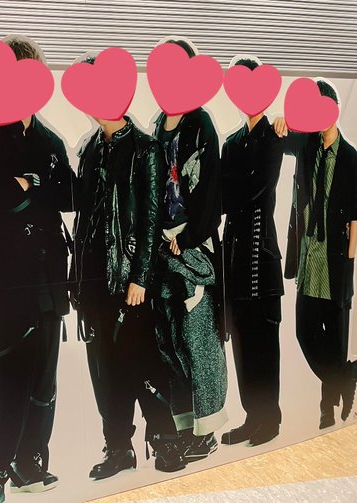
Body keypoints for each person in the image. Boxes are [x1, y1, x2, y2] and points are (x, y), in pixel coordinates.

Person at [0, 35, 76, 503]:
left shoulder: (51, 140)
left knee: (43, 381)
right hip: (3, 280)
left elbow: (70, 196)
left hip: (49, 276)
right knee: (6, 377)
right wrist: (39, 185)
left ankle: (31, 464)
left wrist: (29, 185)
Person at [70, 52, 186, 477]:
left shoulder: (145, 148)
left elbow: (150, 219)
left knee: (143, 361)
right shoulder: (88, 149)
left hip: (130, 280)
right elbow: (83, 218)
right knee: (106, 371)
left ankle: (165, 441)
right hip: (93, 280)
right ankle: (118, 448)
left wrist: (140, 277)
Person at [151, 37, 228, 463]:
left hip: (193, 247)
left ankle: (209, 430)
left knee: (199, 340)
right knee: (171, 341)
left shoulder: (201, 123)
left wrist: (191, 237)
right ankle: (185, 427)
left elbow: (212, 188)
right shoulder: (157, 122)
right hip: (162, 249)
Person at [273, 79, 357, 429]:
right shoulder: (307, 144)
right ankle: (347, 376)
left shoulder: (351, 158)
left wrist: (349, 261)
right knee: (304, 332)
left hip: (335, 262)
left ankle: (327, 409)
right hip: (309, 255)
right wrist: (281, 119)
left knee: (335, 339)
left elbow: (356, 216)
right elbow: (282, 138)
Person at [220, 56, 284, 447]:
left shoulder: (273, 136)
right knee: (242, 342)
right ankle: (251, 417)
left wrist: (233, 188)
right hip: (233, 255)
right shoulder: (231, 142)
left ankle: (269, 419)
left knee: (264, 342)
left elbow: (259, 189)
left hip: (261, 252)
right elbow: (223, 196)